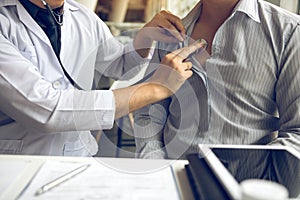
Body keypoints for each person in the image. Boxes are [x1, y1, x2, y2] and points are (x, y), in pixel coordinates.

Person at [0, 0, 207, 156]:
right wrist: (155, 88)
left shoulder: (82, 16)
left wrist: (145, 37)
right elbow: (47, 109)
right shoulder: (4, 21)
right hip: (21, 159)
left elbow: (120, 64)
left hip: (78, 157)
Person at [134, 0, 300, 159]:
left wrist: (258, 184)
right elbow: (149, 115)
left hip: (249, 182)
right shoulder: (168, 34)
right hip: (173, 180)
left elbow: (297, 132)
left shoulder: (290, 31)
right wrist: (158, 168)